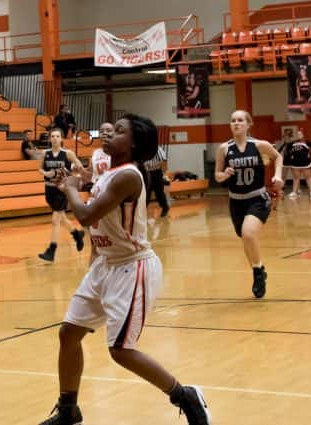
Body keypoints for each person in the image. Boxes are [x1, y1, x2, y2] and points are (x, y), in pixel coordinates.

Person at [38, 114, 212, 425]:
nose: (108, 134)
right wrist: (75, 181)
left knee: (120, 350)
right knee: (68, 333)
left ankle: (185, 395)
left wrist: (71, 189)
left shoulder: (129, 176)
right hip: (106, 264)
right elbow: (90, 193)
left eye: (119, 132)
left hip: (132, 268)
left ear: (133, 144)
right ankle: (68, 410)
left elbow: (87, 216)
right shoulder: (110, 171)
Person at [214, 110, 283, 298]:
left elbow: (278, 157)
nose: (236, 123)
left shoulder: (260, 145)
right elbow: (217, 175)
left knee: (248, 232)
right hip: (236, 201)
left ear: (248, 124)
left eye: (240, 120)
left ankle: (257, 273)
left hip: (257, 198)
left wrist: (277, 175)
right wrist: (225, 174)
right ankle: (258, 267)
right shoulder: (224, 149)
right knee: (245, 237)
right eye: (233, 120)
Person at [38, 128, 86, 262]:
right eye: (52, 136)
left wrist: (74, 177)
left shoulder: (68, 154)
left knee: (55, 220)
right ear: (49, 139)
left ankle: (51, 250)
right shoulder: (45, 153)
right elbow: (40, 168)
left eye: (57, 136)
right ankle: (77, 234)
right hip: (49, 190)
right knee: (62, 219)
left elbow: (80, 167)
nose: (54, 138)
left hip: (62, 190)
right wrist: (45, 173)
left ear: (61, 139)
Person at [286, 128, 311, 200]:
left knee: (308, 177)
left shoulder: (306, 142)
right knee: (296, 178)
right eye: (297, 134)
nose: (298, 135)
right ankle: (294, 192)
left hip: (305, 163)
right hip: (295, 164)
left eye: (300, 134)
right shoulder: (292, 143)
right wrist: (290, 155)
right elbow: (287, 149)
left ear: (303, 135)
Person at [144, 144, 170, 217]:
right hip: (147, 173)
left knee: (159, 192)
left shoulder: (157, 149)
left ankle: (165, 207)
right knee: (146, 193)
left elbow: (163, 161)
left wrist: (153, 166)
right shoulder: (144, 149)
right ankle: (142, 211)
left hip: (156, 172)